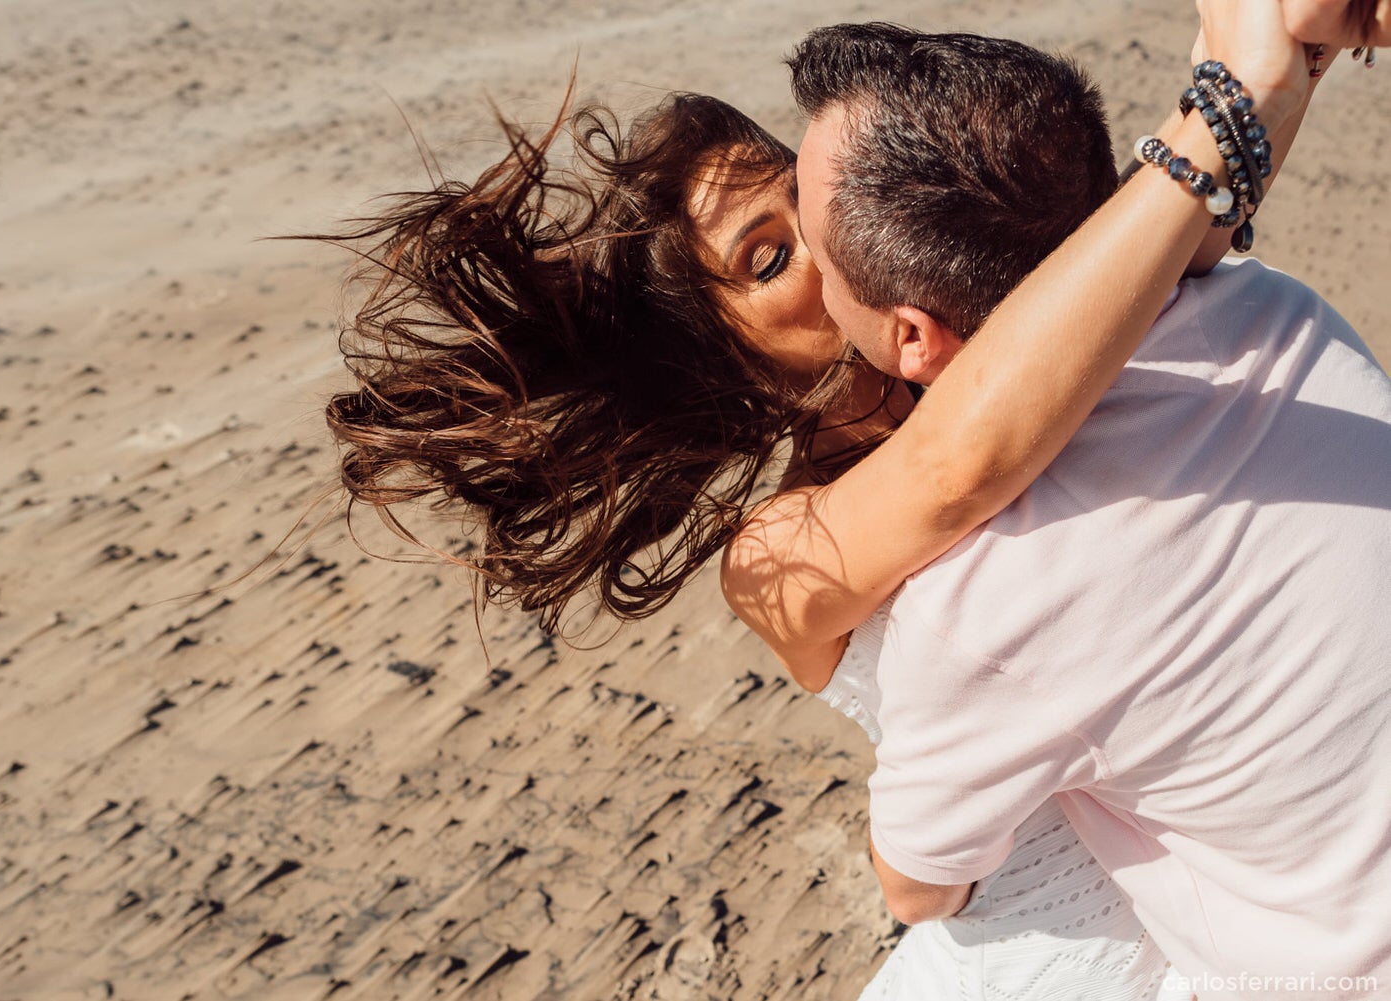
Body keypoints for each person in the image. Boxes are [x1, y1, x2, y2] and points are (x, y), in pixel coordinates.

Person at [317, 7, 1317, 999]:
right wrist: (1239, 94)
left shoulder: (1008, 346)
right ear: (723, 355)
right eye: (766, 260)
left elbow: (1139, 234)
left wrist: (1279, 49)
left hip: (1234, 896)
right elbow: (958, 463)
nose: (828, 238)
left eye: (804, 195)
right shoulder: (779, 550)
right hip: (1052, 955)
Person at [739, 10, 1391, 999]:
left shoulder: (977, 606)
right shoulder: (1272, 309)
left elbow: (918, 884)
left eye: (817, 265)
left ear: (912, 336)